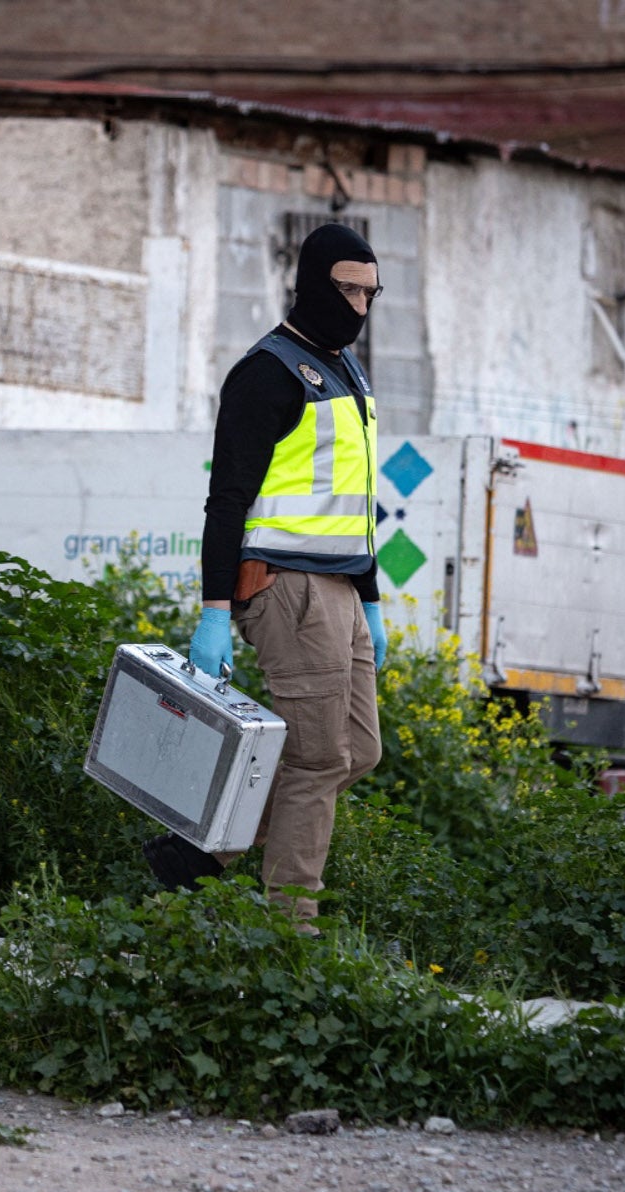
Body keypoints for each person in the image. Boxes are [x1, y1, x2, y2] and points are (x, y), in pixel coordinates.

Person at [143, 223, 387, 928]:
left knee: (357, 751)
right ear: (311, 281)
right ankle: (291, 933)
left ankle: (197, 856)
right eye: (347, 289)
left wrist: (370, 598)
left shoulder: (345, 367)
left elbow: (353, 499)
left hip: (340, 586)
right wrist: (214, 609)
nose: (359, 307)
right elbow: (227, 499)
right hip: (286, 587)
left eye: (370, 294)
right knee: (317, 760)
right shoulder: (267, 373)